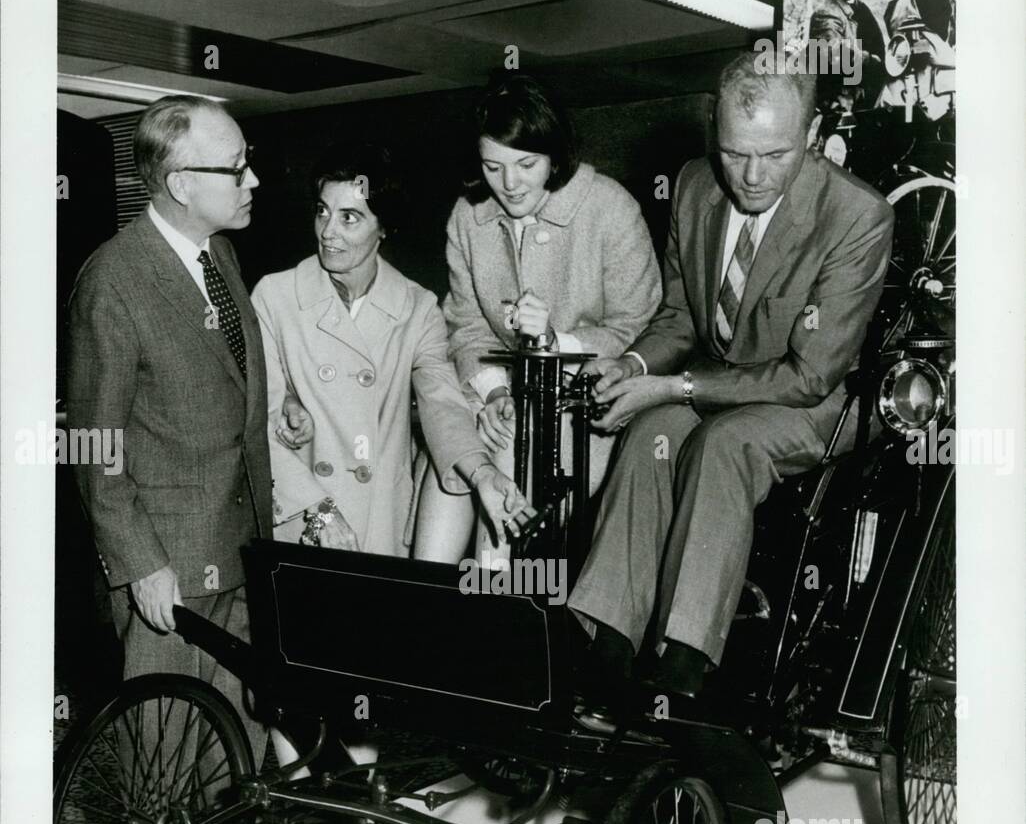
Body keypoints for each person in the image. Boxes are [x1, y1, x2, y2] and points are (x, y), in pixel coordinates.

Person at [569, 50, 895, 704]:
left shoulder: (857, 215)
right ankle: (606, 647)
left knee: (723, 445)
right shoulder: (693, 185)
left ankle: (683, 665)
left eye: (773, 156)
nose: (747, 177)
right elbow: (678, 317)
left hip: (817, 402)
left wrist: (677, 387)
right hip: (719, 382)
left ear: (811, 135)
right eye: (733, 153)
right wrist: (633, 365)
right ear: (714, 130)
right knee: (650, 432)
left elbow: (810, 375)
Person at [67, 94, 272, 763]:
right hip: (172, 572)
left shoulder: (222, 258)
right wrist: (141, 566)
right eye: (236, 169)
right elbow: (94, 444)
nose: (253, 181)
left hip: (243, 553)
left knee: (238, 752)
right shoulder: (114, 281)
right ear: (183, 184)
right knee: (167, 768)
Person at [415, 73, 661, 562]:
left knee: (509, 470)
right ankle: (428, 601)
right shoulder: (468, 217)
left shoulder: (610, 208)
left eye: (526, 164)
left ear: (554, 156)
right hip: (497, 395)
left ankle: (496, 596)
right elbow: (465, 326)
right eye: (492, 167)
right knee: (458, 449)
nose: (509, 184)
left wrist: (553, 342)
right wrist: (494, 393)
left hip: (581, 397)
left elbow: (637, 324)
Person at [257, 142, 530, 560]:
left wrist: (483, 474)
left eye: (350, 217)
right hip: (303, 518)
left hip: (380, 521)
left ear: (384, 227)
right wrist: (319, 512)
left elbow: (442, 403)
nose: (328, 231)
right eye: (323, 211)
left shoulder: (416, 307)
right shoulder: (274, 297)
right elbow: (261, 421)